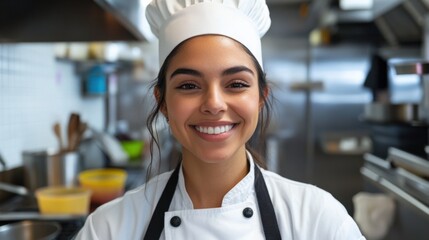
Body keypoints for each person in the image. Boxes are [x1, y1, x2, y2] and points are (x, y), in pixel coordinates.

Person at [75, 0, 365, 239]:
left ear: (261, 95)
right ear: (162, 100)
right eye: (189, 85)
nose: (214, 104)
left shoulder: (319, 221)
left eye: (236, 84)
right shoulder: (108, 229)